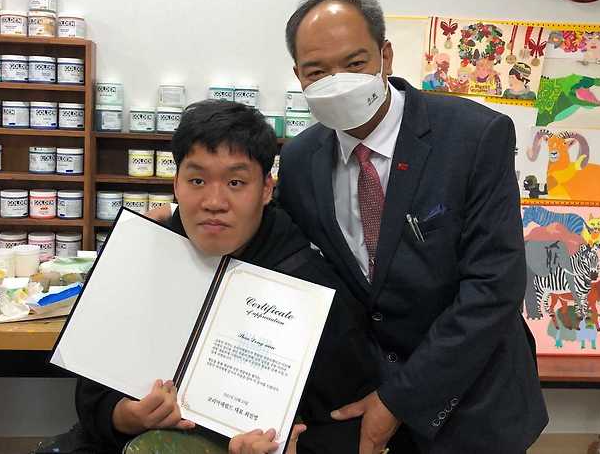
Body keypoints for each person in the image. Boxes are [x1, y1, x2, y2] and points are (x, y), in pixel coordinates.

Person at [274, 0, 548, 453]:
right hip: (361, 404)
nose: (337, 80)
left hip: (474, 409)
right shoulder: (300, 160)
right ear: (299, 76)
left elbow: (493, 287)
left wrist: (398, 399)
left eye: (355, 63)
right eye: (317, 71)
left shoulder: (474, 136)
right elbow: (280, 248)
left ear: (386, 56)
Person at [73, 100, 377, 454]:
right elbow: (90, 393)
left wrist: (295, 447)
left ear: (266, 189)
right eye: (197, 180)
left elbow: (350, 420)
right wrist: (126, 415)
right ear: (176, 184)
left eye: (235, 182)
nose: (214, 201)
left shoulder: (313, 288)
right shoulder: (142, 260)